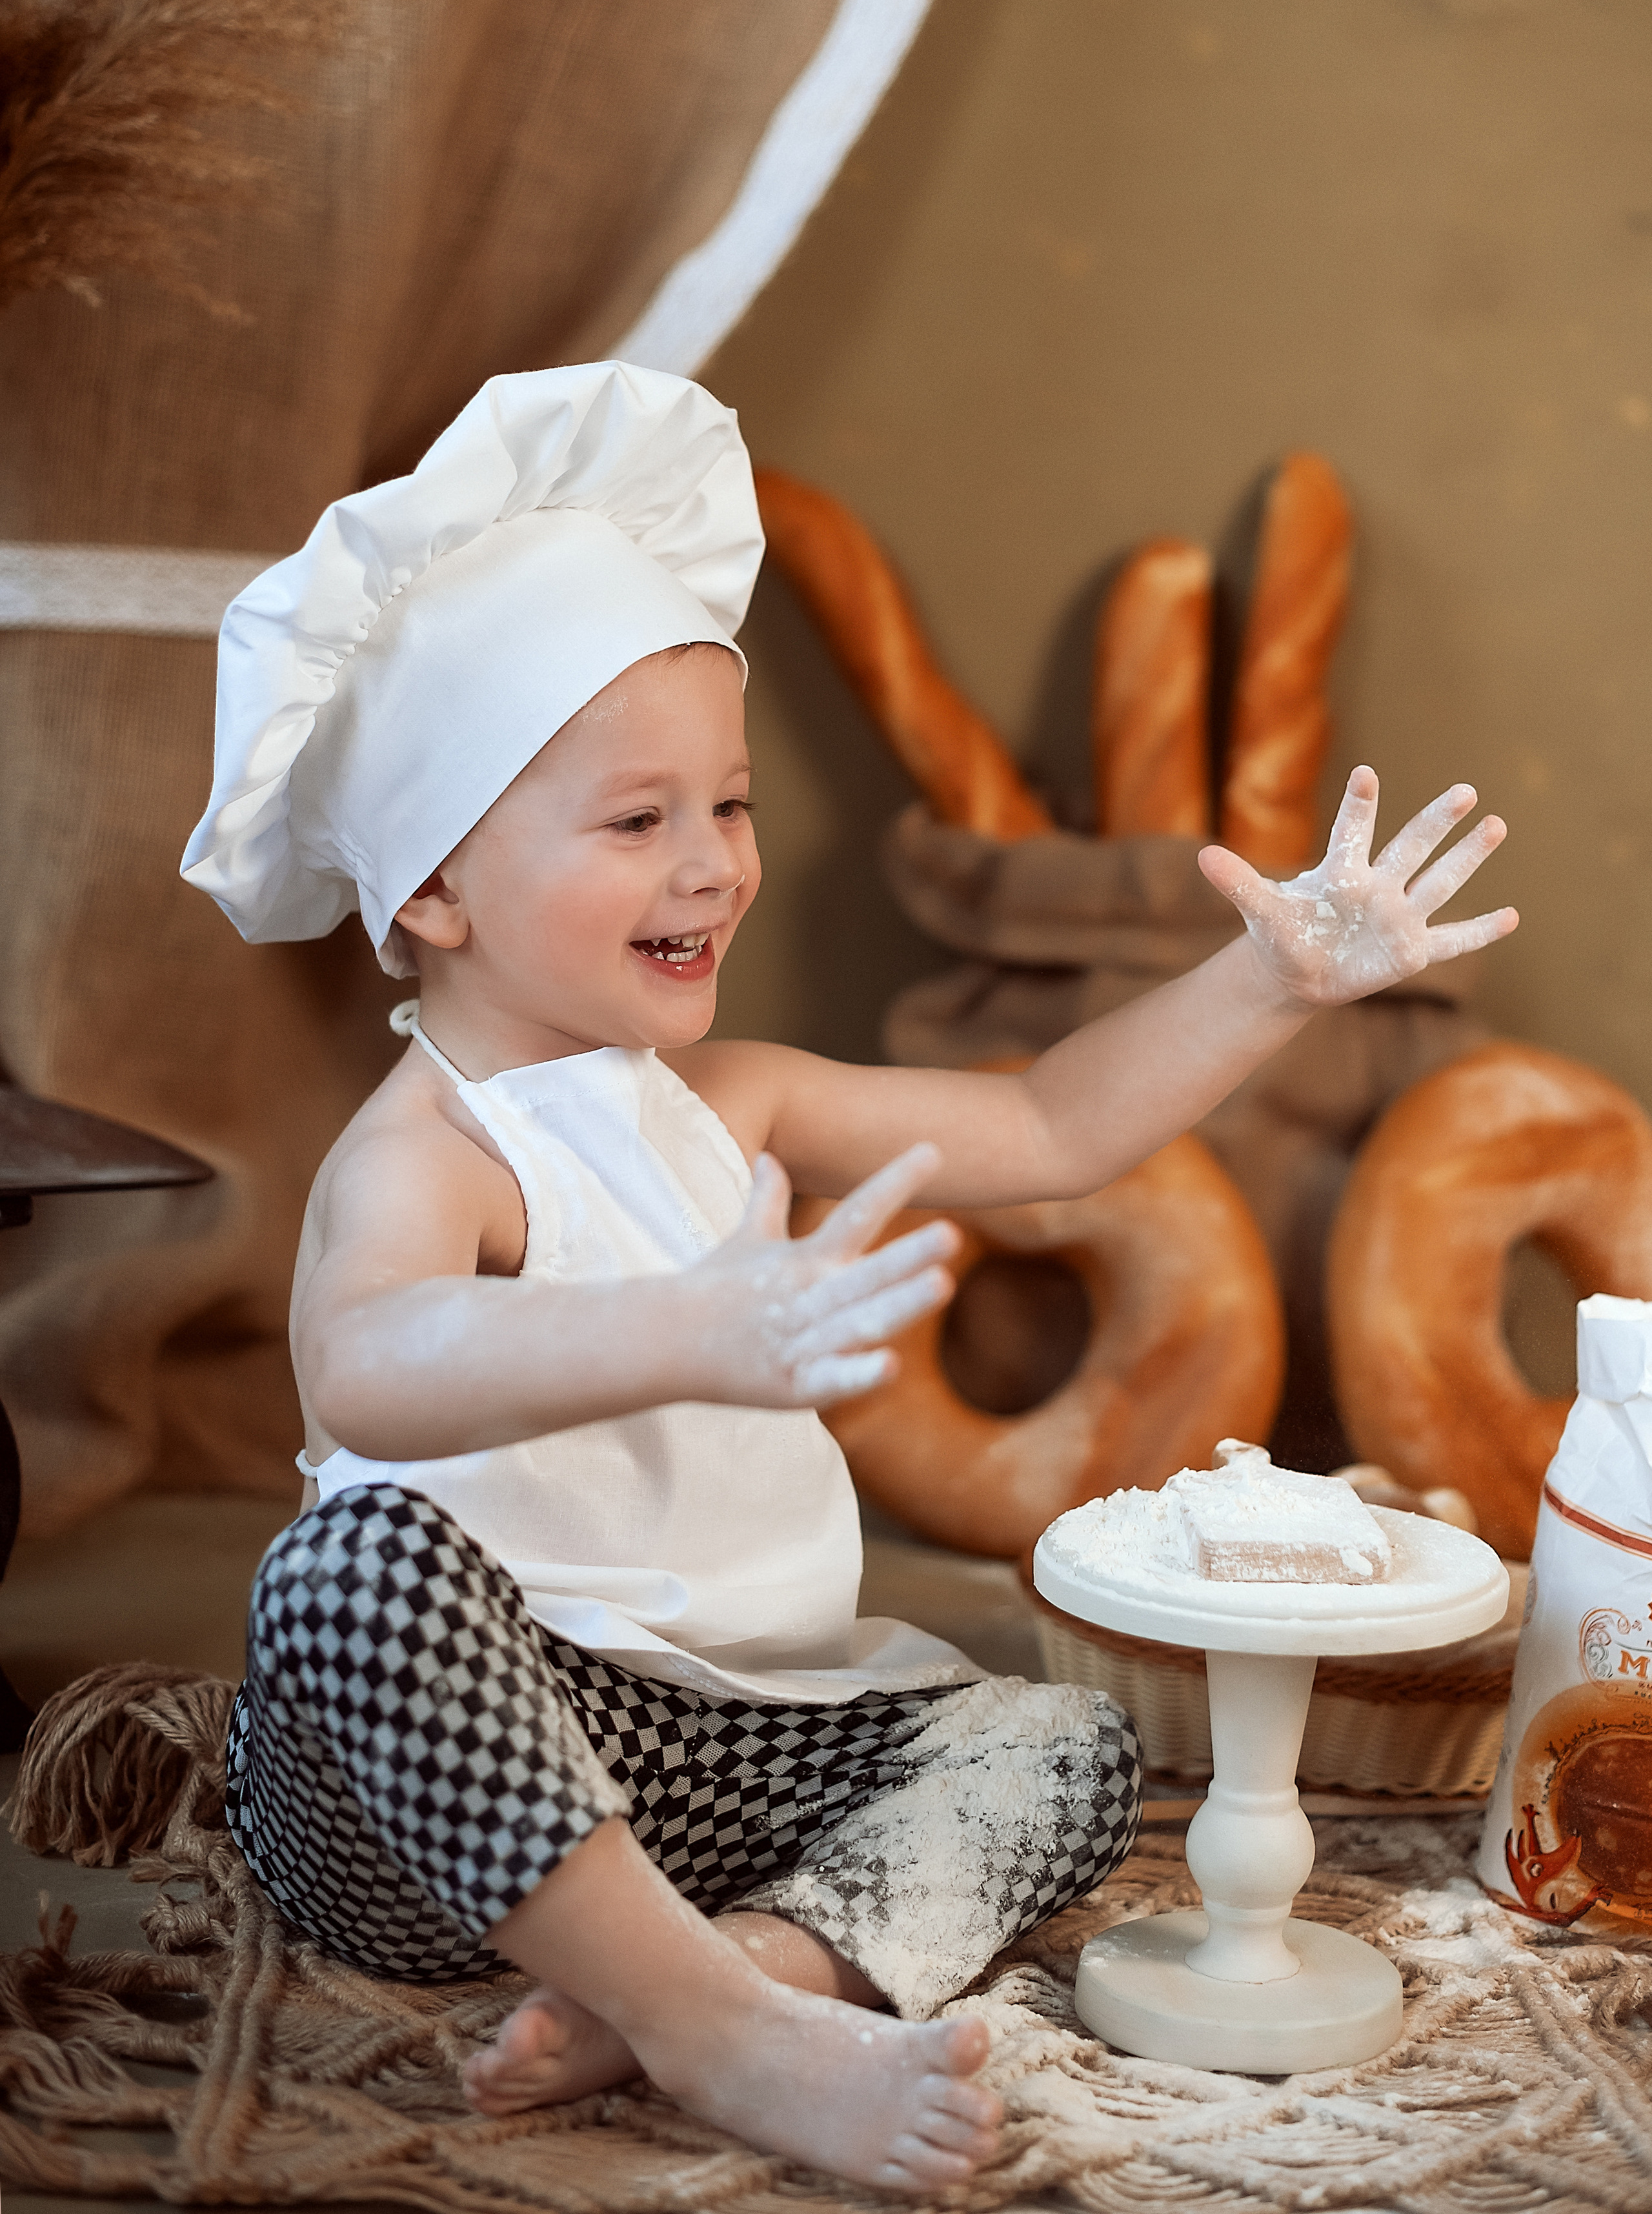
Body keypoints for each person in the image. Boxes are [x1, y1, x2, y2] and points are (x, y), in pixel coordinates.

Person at [182, 363, 1516, 2197]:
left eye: (722, 805)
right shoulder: (433, 1151)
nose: (712, 862)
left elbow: (1050, 1122)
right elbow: (363, 1365)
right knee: (339, 1575)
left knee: (1063, 1733)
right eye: (635, 818)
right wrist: (687, 1325)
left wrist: (1268, 982)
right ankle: (726, 2038)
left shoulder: (736, 1099)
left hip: (716, 1753)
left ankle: (725, 1974)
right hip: (441, 1786)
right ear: (432, 890)